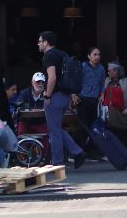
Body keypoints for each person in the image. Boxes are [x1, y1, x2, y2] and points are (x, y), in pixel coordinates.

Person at [37, 31, 86, 169]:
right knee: (57, 128)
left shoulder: (48, 55)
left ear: (46, 42)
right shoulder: (63, 54)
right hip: (65, 96)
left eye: (40, 41)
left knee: (54, 131)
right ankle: (77, 152)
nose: (38, 43)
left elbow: (52, 78)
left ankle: (57, 163)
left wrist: (47, 95)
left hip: (55, 96)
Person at [74, 47, 105, 151]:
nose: (97, 57)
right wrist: (73, 94)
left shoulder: (101, 69)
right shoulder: (82, 67)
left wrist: (102, 94)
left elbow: (102, 84)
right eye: (94, 54)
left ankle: (90, 151)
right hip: (82, 99)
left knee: (93, 126)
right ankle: (78, 151)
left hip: (94, 100)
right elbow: (75, 81)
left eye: (99, 55)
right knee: (81, 126)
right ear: (89, 56)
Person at [102, 62, 127, 136]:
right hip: (109, 115)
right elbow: (102, 94)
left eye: (109, 71)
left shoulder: (126, 81)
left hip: (122, 113)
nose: (108, 73)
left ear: (115, 71)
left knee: (121, 136)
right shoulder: (107, 81)